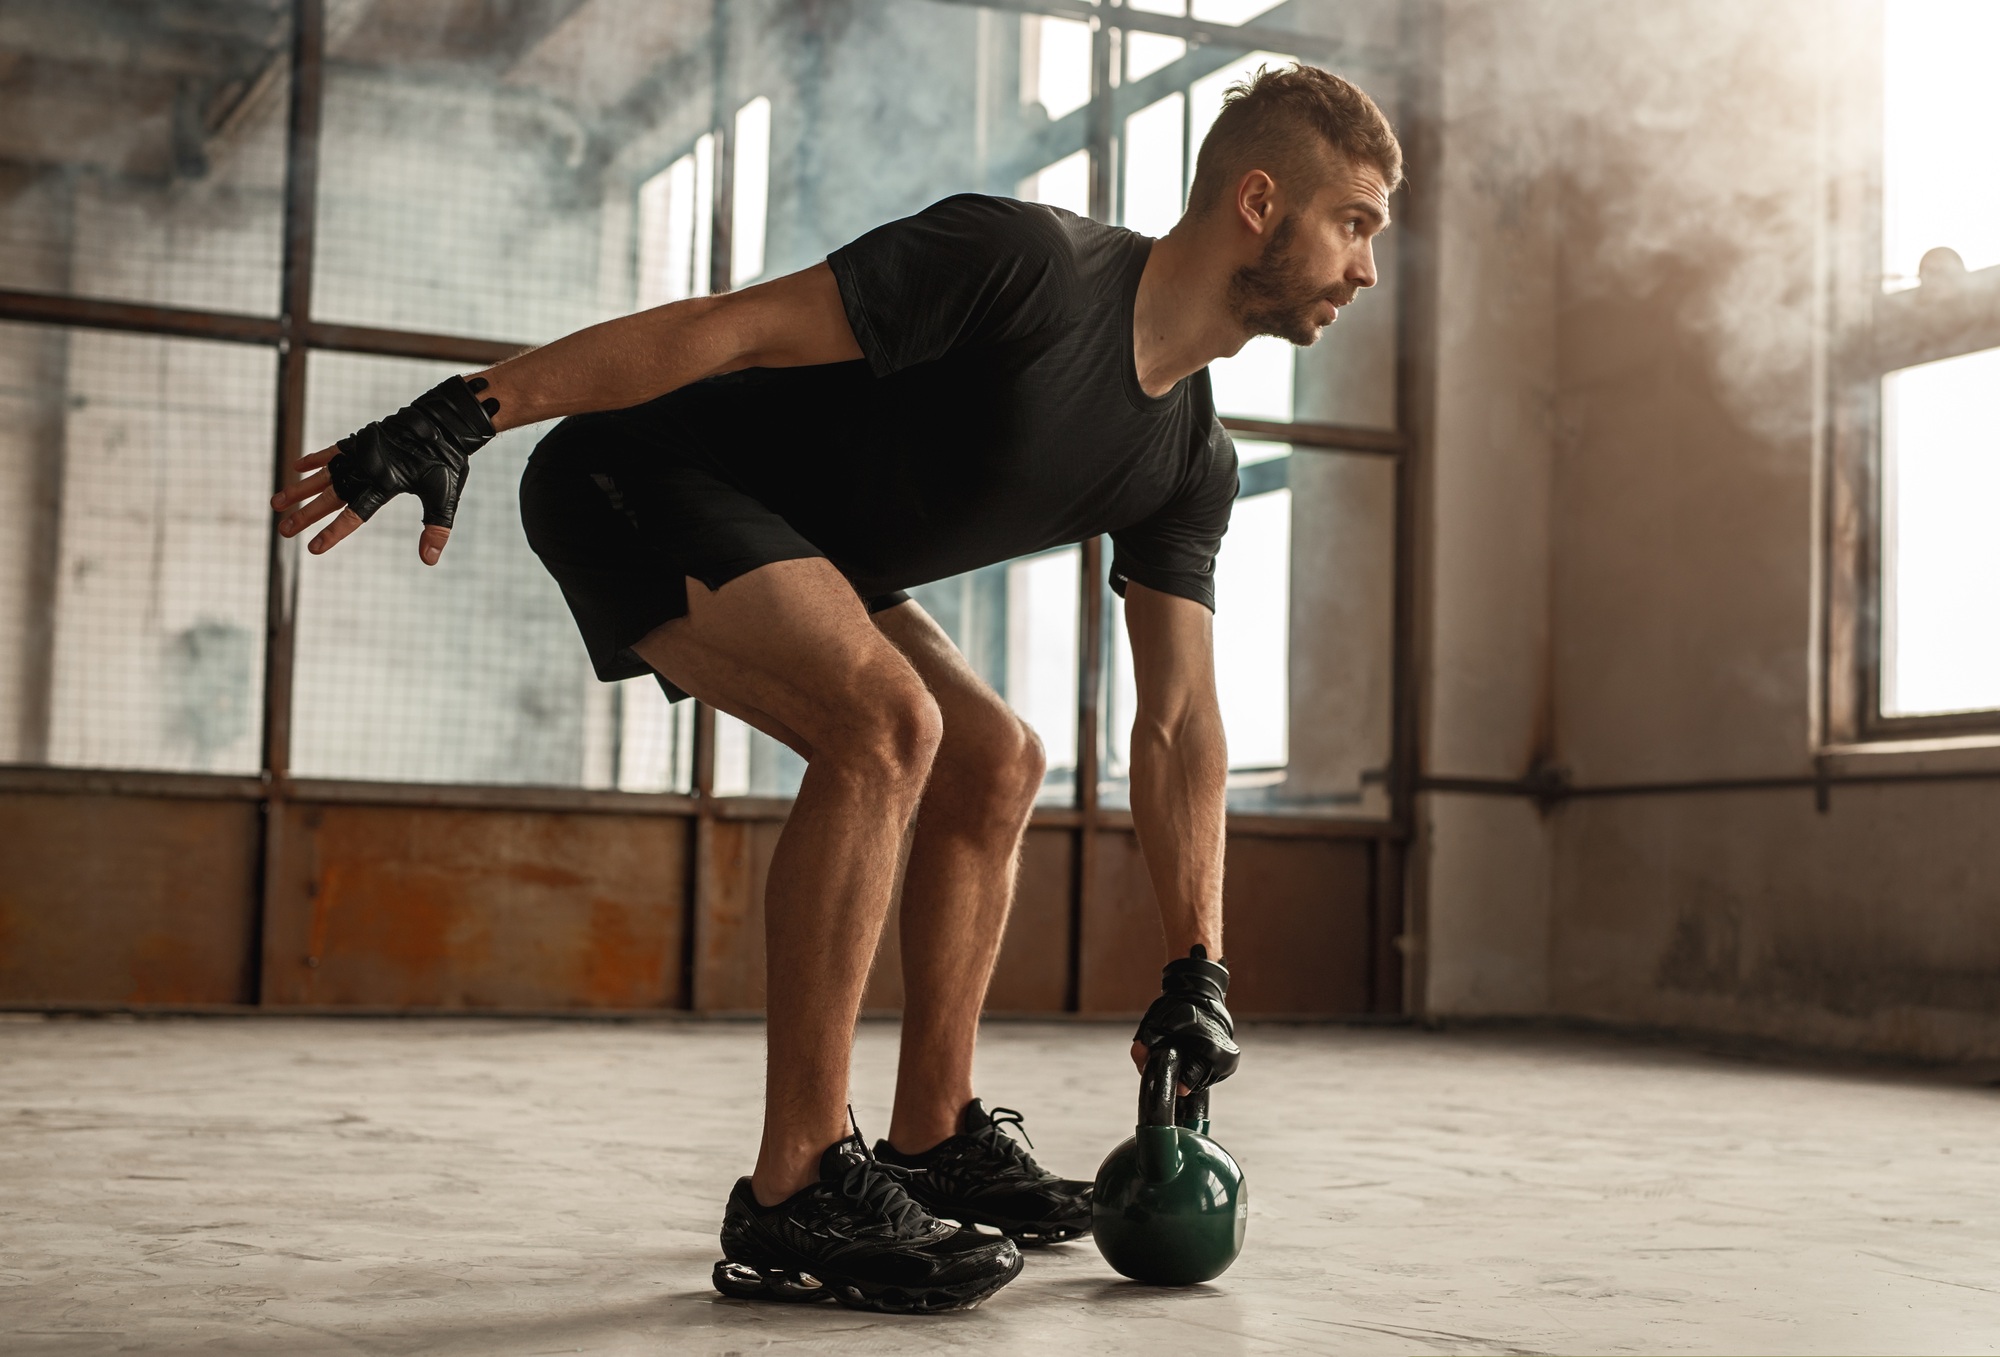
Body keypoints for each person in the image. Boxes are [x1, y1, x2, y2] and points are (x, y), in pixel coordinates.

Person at [271, 62, 1399, 1313]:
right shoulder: (1023, 263)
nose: (1363, 268)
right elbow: (732, 327)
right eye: (1352, 224)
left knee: (996, 756)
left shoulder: (1189, 457)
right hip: (637, 471)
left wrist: (1200, 966)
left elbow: (1179, 717)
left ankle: (932, 1131)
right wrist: (471, 410)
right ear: (1258, 202)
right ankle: (794, 1186)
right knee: (885, 723)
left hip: (809, 542)